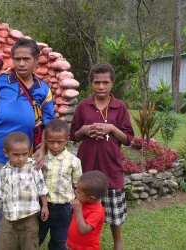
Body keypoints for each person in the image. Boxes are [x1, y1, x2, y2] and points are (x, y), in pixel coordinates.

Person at [0, 38, 55, 250]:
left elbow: (48, 123)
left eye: (26, 59)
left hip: (23, 158)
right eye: (17, 59)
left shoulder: (43, 90)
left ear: (36, 60)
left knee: (20, 202)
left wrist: (43, 148)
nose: (21, 63)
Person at [69, 62, 135, 250]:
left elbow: (129, 138)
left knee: (114, 208)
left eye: (105, 82)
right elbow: (74, 135)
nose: (101, 87)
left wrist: (112, 128)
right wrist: (84, 130)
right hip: (87, 165)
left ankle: (117, 243)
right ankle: (80, 240)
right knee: (83, 203)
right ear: (91, 83)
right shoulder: (84, 106)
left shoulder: (119, 107)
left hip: (110, 166)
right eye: (97, 82)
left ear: (112, 82)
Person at [0, 132, 49, 250]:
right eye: (16, 155)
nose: (21, 158)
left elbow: (41, 188)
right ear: (6, 153)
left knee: (30, 246)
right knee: (5, 245)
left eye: (24, 154)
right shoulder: (4, 171)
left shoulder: (33, 167)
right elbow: (0, 193)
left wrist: (45, 206)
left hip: (29, 219)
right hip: (8, 220)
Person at [39, 119, 82, 250]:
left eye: (60, 142)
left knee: (60, 241)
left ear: (67, 140)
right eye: (51, 142)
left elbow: (77, 186)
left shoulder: (74, 161)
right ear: (45, 140)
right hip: (41, 206)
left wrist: (75, 205)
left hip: (64, 209)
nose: (56, 146)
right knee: (36, 237)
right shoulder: (41, 158)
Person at [66, 171, 108, 250]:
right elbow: (75, 223)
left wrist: (78, 210)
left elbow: (83, 230)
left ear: (91, 198)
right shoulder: (83, 202)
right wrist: (70, 241)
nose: (75, 192)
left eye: (78, 192)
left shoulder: (97, 211)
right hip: (74, 246)